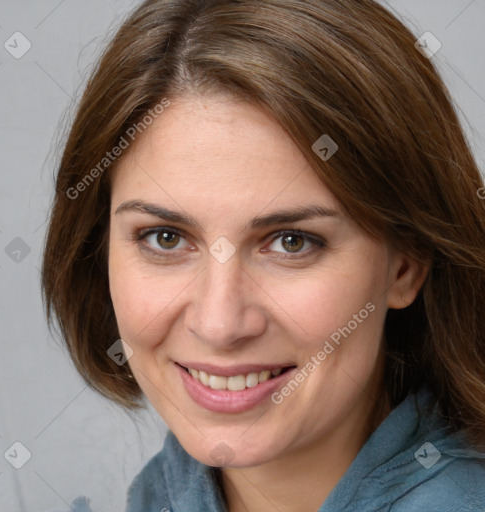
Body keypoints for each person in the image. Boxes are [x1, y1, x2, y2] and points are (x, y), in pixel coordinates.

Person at [41, 0, 485, 510]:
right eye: (165, 238)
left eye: (292, 241)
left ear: (406, 264)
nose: (219, 324)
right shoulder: (161, 493)